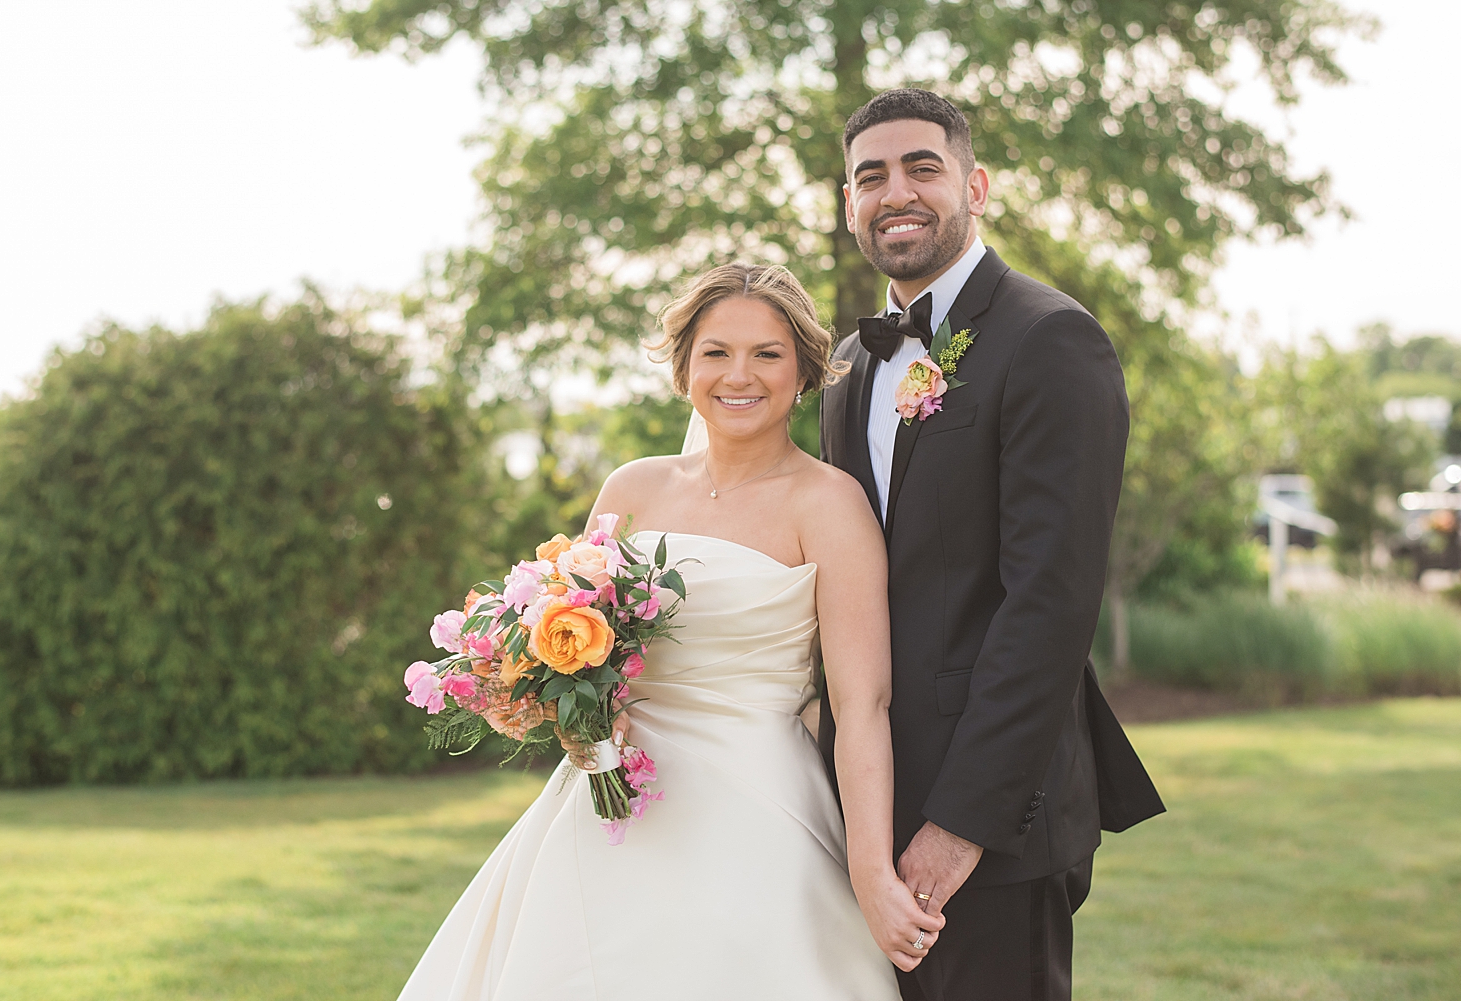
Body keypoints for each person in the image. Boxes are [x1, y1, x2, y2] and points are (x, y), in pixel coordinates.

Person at [396, 262, 937, 1000]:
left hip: (757, 805)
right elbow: (578, 646)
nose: (738, 374)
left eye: (767, 354)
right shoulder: (632, 488)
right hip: (610, 801)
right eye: (716, 352)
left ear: (806, 371)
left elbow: (863, 704)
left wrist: (872, 871)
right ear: (684, 367)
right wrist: (527, 688)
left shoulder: (829, 503)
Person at [817, 88, 1167, 1001]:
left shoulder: (1051, 339)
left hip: (990, 817)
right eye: (871, 177)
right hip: (858, 804)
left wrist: (962, 822)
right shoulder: (848, 370)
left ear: (976, 185)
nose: (896, 192)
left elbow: (1050, 605)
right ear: (849, 205)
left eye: (921, 168)